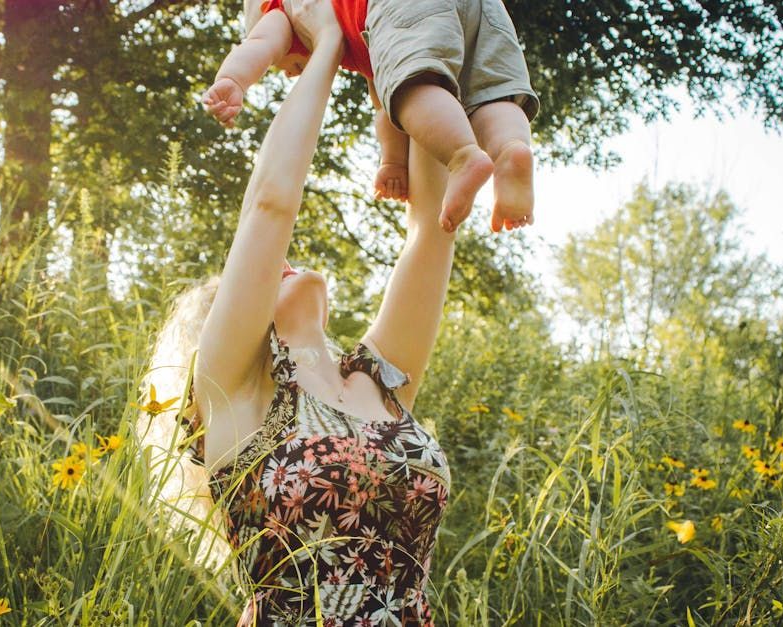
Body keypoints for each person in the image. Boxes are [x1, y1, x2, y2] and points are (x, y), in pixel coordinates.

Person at [140, 2, 456, 623]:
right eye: (259, 279)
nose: (280, 264)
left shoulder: (379, 381)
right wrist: (330, 42)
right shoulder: (231, 392)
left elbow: (433, 229)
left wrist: (404, 54)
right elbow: (271, 203)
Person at [202, 0, 540, 234]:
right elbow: (382, 103)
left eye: (287, 67)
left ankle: (463, 156)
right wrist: (393, 162)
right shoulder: (364, 33)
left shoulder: (283, 10)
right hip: (486, 9)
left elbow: (260, 42)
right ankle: (510, 150)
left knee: (411, 91)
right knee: (490, 92)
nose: (291, 75)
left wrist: (233, 80)